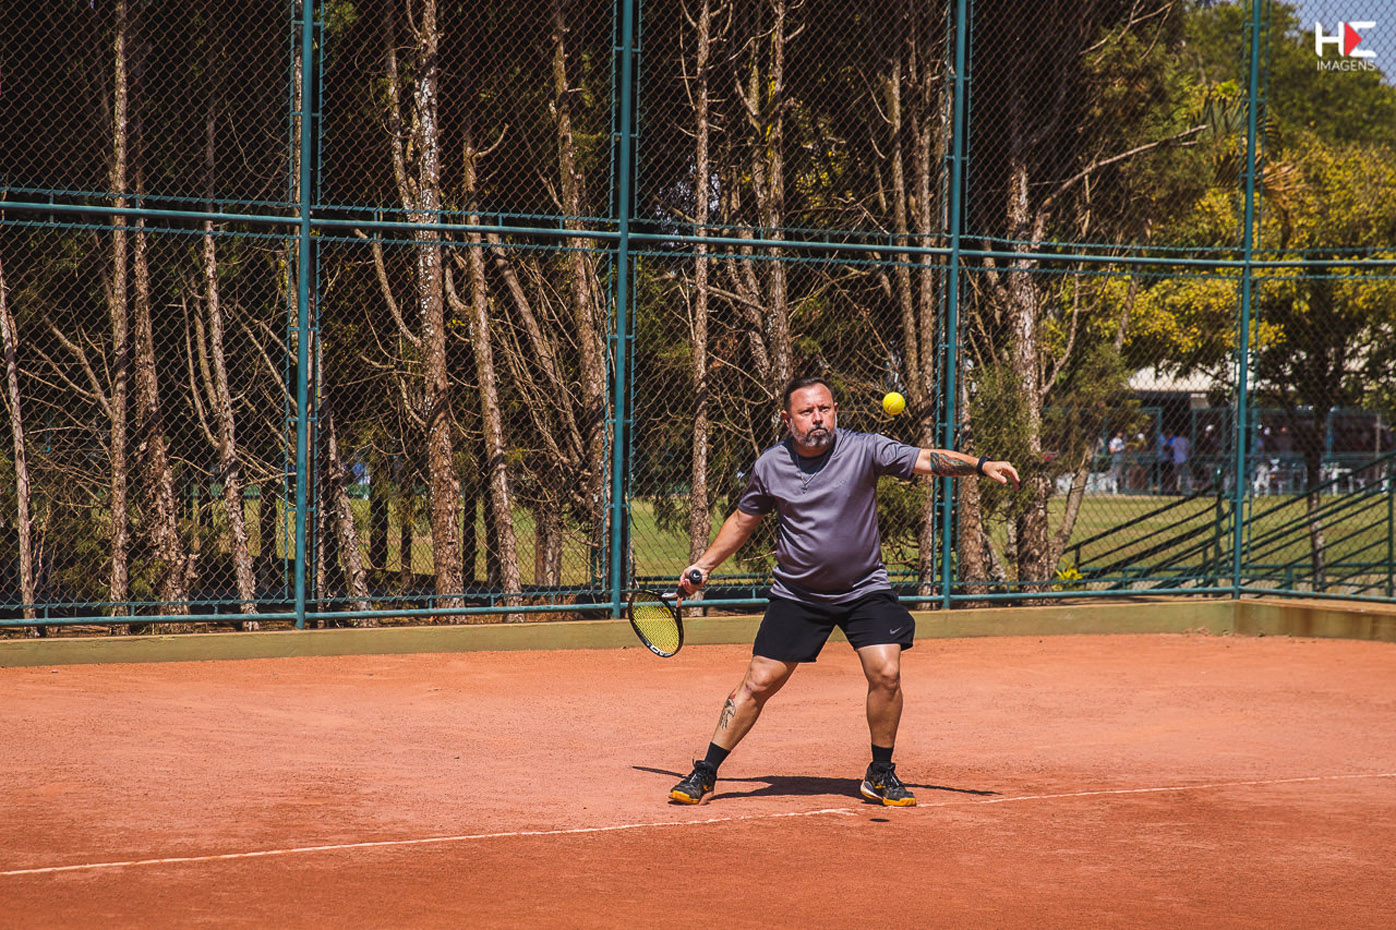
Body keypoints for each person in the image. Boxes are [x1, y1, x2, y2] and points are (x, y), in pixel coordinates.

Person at [667, 376, 1020, 807]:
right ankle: (706, 772)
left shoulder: (864, 449)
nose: (818, 418)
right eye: (807, 412)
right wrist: (703, 566)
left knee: (886, 672)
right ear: (787, 419)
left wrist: (981, 465)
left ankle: (880, 773)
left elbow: (926, 458)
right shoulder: (771, 465)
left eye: (825, 409)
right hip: (798, 593)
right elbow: (743, 520)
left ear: (835, 411)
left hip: (863, 589)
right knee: (758, 683)